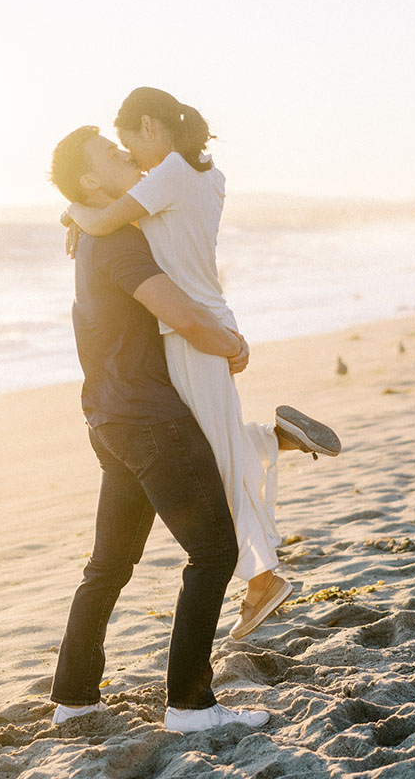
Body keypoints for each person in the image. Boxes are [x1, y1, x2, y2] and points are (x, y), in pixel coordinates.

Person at [63, 88, 341, 639]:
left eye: (128, 146)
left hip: (190, 330)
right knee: (210, 445)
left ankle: (261, 577)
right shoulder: (204, 174)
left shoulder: (165, 174)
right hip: (208, 318)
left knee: (209, 458)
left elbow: (102, 223)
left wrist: (73, 211)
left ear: (149, 126)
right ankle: (272, 442)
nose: (131, 160)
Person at [48, 125, 271, 733]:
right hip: (149, 419)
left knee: (109, 564)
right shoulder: (119, 242)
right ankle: (190, 707)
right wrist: (233, 343)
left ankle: (74, 699)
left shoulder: (96, 236)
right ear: (93, 180)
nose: (128, 155)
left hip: (109, 416)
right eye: (113, 154)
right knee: (214, 550)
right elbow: (179, 314)